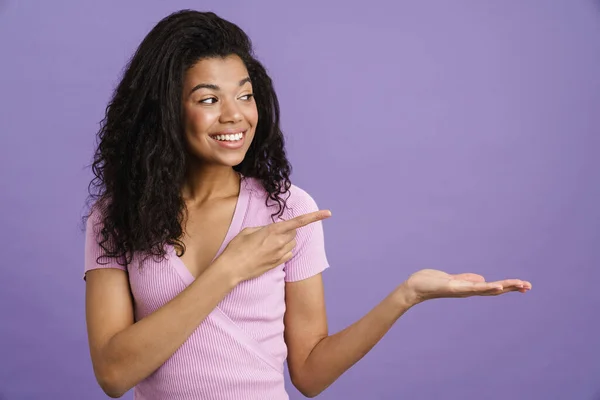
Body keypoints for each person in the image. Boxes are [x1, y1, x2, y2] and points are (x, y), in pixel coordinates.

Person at [83, 9, 532, 400]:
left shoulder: (287, 210)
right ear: (165, 111)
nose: (234, 114)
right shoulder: (116, 215)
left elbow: (311, 374)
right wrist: (229, 269)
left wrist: (406, 295)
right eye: (208, 99)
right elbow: (114, 373)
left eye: (244, 94)